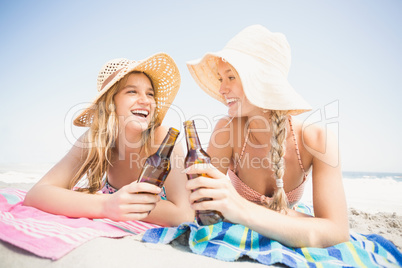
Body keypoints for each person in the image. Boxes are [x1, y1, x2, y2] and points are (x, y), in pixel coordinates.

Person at [185, 25, 349, 247]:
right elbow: (199, 205)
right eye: (220, 78)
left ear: (261, 80)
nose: (222, 89)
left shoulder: (318, 141)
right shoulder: (227, 130)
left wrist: (241, 209)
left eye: (231, 77)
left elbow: (337, 231)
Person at [23, 53, 193, 227]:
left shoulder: (163, 140)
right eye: (132, 91)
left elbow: (184, 215)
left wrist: (120, 205)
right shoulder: (96, 139)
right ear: (110, 103)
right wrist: (107, 204)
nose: (145, 101)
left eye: (150, 94)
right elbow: (37, 193)